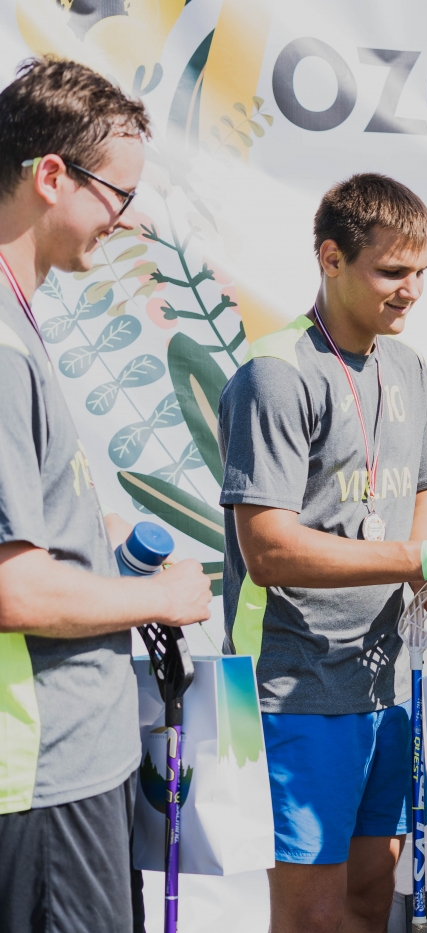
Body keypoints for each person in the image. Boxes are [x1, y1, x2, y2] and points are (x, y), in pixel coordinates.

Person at [219, 174, 427, 933]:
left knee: (367, 899)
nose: (411, 290)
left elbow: (416, 519)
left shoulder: (407, 366)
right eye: (392, 271)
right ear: (331, 258)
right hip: (295, 684)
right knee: (312, 917)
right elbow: (269, 550)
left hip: (386, 682)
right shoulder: (276, 372)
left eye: (421, 272)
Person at [0, 58, 213, 932]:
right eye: (117, 194)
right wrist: (160, 597)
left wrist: (99, 528)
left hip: (64, 760)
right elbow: (15, 588)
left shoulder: (19, 316)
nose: (126, 218)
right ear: (51, 176)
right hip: (43, 768)